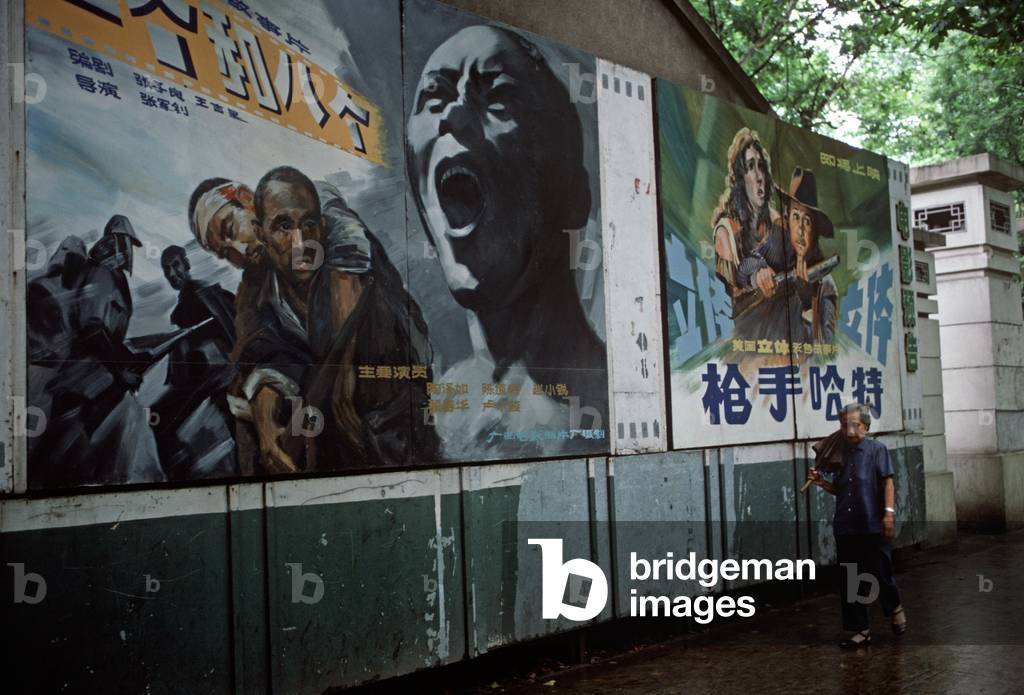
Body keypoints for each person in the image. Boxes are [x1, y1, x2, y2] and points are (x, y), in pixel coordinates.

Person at [406, 25, 607, 459]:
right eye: (434, 98)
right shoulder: (441, 411)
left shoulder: (610, 398)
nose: (452, 116)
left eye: (498, 99)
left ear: (574, 195)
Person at [231, 166, 439, 473]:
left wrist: (340, 388)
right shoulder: (261, 290)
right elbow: (268, 346)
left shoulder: (360, 284)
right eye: (283, 227)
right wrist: (266, 415)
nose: (300, 243)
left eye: (309, 224)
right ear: (261, 233)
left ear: (323, 226)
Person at [28, 215, 165, 487]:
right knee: (59, 461)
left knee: (77, 460)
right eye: (126, 243)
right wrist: (121, 370)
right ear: (116, 241)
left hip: (96, 385)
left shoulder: (111, 277)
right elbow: (92, 328)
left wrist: (129, 359)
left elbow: (108, 334)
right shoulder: (102, 274)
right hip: (82, 385)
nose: (128, 252)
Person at [806, 402, 908, 647]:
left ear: (866, 426)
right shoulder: (839, 452)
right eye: (845, 425)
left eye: (856, 425)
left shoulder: (877, 450)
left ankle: (895, 607)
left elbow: (888, 482)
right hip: (846, 524)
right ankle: (860, 629)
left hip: (873, 522)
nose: (850, 431)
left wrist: (889, 514)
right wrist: (822, 482)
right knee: (851, 576)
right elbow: (840, 490)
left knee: (881, 572)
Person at [152, 245, 238, 479]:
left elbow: (228, 328)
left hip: (218, 375)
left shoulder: (203, 296)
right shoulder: (190, 302)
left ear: (187, 265)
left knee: (160, 419)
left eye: (176, 265)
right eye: (166, 269)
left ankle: (184, 475)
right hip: (206, 377)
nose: (172, 274)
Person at [735, 168, 839, 344]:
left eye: (807, 221)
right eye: (796, 217)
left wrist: (807, 302)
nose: (800, 230)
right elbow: (743, 270)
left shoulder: (826, 285)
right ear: (787, 219)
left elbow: (826, 347)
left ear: (815, 231)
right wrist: (758, 274)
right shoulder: (776, 247)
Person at [711, 127, 781, 301]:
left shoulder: (775, 221)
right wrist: (756, 278)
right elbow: (728, 301)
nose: (759, 176)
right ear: (740, 178)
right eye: (750, 167)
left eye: (761, 166)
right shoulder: (726, 232)